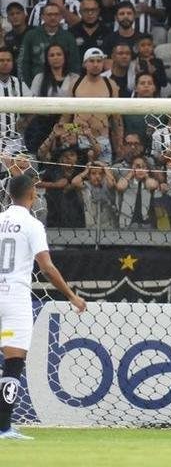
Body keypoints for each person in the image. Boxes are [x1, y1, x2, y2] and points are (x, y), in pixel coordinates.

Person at [0, 173, 87, 440]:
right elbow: (46, 267)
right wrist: (71, 296)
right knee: (13, 361)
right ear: (33, 195)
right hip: (14, 297)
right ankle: (3, 427)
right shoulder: (32, 224)